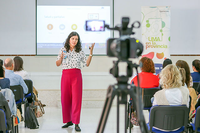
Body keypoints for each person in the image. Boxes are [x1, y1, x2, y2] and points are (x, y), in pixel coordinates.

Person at [56, 31, 95, 132]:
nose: (74, 41)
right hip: (65, 75)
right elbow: (57, 64)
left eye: (76, 39)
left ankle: (76, 123)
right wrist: (60, 58)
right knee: (65, 99)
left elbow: (86, 64)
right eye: (73, 38)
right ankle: (68, 121)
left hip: (76, 76)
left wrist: (91, 53)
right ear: (69, 39)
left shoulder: (80, 51)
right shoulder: (63, 50)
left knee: (76, 100)